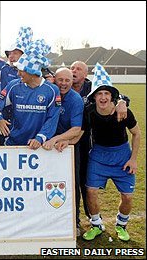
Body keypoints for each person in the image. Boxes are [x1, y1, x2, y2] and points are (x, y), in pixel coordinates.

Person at [78, 64, 140, 242]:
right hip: (98, 155)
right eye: (99, 93)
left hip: (122, 156)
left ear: (112, 96)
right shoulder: (89, 112)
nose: (103, 97)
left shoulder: (124, 111)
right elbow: (79, 132)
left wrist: (133, 159)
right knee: (90, 191)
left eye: (106, 94)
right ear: (94, 97)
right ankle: (96, 225)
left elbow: (136, 134)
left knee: (127, 197)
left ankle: (121, 225)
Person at [70, 60, 129, 225]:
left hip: (87, 143)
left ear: (85, 74)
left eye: (78, 69)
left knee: (85, 181)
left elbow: (118, 96)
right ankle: (73, 220)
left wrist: (122, 102)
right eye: (72, 68)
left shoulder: (93, 88)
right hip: (68, 141)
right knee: (70, 181)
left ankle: (93, 218)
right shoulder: (63, 86)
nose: (73, 71)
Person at [0, 39, 60, 149]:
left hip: (38, 146)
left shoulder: (52, 90)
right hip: (13, 144)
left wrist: (40, 138)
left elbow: (52, 118)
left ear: (33, 72)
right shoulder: (13, 85)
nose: (18, 73)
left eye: (21, 70)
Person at [42, 67, 84, 235]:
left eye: (67, 80)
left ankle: (75, 222)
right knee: (45, 183)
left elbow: (76, 129)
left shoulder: (75, 100)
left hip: (66, 147)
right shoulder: (47, 93)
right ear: (54, 80)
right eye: (60, 80)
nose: (64, 84)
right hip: (45, 147)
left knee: (71, 184)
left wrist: (58, 139)